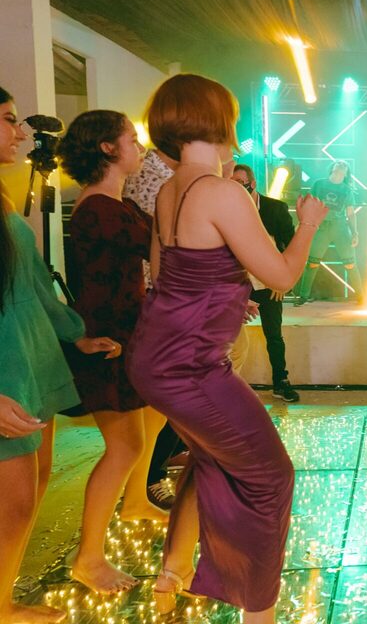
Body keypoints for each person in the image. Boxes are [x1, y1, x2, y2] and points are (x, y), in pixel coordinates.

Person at [126, 73, 328, 623]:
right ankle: (257, 610)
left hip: (157, 357)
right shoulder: (221, 191)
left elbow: (168, 278)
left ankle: (174, 571)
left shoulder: (170, 190)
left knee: (213, 457)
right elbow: (281, 276)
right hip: (189, 367)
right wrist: (308, 225)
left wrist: (222, 297)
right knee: (269, 477)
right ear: (217, 120)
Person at [0, 85, 118, 624]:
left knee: (32, 489)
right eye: (8, 119)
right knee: (13, 502)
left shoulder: (3, 200)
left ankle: (4, 596)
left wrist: (75, 335)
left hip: (30, 360)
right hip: (7, 372)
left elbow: (33, 285)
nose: (20, 132)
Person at [57, 110, 171, 594]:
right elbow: (160, 243)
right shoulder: (100, 209)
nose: (139, 148)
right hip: (107, 340)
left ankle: (136, 503)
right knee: (124, 446)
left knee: (151, 422)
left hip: (128, 332)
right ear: (108, 148)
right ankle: (88, 557)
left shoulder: (115, 204)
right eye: (132, 139)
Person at [122, 147, 183, 511]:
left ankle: (152, 474)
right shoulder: (154, 178)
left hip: (162, 305)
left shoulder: (168, 178)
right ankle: (149, 479)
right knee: (162, 403)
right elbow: (162, 254)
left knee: (167, 405)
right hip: (154, 306)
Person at [230, 164, 299, 402]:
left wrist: (282, 281)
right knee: (230, 338)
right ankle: (229, 386)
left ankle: (281, 381)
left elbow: (290, 246)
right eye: (232, 183)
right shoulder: (227, 209)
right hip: (239, 284)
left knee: (274, 335)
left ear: (253, 184)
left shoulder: (275, 209)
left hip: (268, 282)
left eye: (241, 183)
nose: (237, 188)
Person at [297, 160, 361, 304]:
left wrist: (355, 233)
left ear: (346, 173)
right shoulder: (319, 184)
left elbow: (351, 213)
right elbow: (308, 203)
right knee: (312, 263)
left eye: (344, 165)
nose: (341, 164)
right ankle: (303, 296)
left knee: (350, 263)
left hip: (340, 228)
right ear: (332, 168)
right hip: (321, 227)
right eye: (339, 163)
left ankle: (361, 296)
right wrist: (304, 224)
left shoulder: (347, 190)